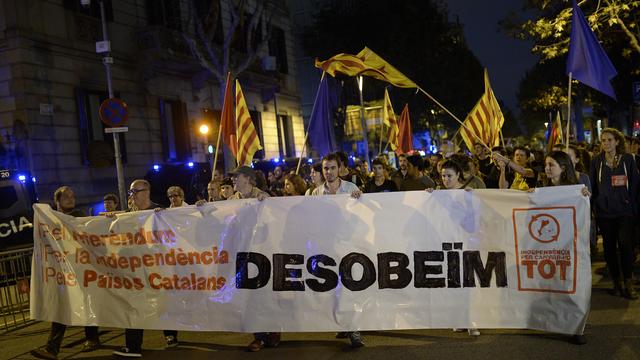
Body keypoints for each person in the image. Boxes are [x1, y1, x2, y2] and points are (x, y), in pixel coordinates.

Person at [31, 187, 101, 360]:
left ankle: (92, 338)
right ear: (58, 201)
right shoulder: (52, 219)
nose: (71, 199)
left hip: (82, 269)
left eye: (73, 196)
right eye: (66, 197)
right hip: (63, 271)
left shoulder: (79, 216)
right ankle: (52, 349)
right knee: (62, 307)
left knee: (86, 302)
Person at [531, 150, 590, 345]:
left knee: (573, 286)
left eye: (551, 165)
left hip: (570, 246)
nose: (547, 169)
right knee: (551, 286)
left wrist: (584, 197)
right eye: (546, 164)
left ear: (563, 168)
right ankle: (554, 323)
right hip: (547, 247)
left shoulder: (575, 190)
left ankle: (576, 327)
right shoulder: (542, 188)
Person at [310, 153, 364, 348]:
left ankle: (355, 330)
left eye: (332, 168)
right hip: (327, 247)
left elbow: (362, 216)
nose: (329, 172)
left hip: (348, 246)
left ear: (339, 168)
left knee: (350, 288)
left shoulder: (351, 189)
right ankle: (342, 324)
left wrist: (359, 200)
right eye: (325, 168)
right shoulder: (316, 193)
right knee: (334, 288)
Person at [113, 180, 160, 358]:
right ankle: (133, 347)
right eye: (130, 191)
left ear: (146, 192)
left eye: (135, 191)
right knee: (133, 305)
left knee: (163, 303)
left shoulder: (160, 212)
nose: (131, 195)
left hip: (156, 270)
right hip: (135, 271)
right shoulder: (127, 215)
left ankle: (171, 335)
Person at [590, 128, 639, 300]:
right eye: (603, 140)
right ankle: (616, 283)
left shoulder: (628, 160)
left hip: (625, 212)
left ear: (617, 142)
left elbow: (634, 186)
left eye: (609, 140)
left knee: (626, 246)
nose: (606, 143)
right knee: (609, 249)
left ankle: (628, 282)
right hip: (605, 214)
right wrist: (593, 206)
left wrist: (633, 208)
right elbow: (592, 187)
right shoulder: (597, 161)